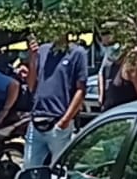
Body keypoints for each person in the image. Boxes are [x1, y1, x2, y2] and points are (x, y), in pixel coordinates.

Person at [25, 32, 90, 168]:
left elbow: (81, 89)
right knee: (29, 171)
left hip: (59, 124)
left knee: (59, 172)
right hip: (36, 121)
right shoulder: (42, 51)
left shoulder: (77, 53)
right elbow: (31, 86)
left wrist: (64, 121)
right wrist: (32, 58)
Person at [102, 40, 137, 110]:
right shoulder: (111, 64)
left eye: (111, 44)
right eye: (105, 45)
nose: (108, 48)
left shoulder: (133, 62)